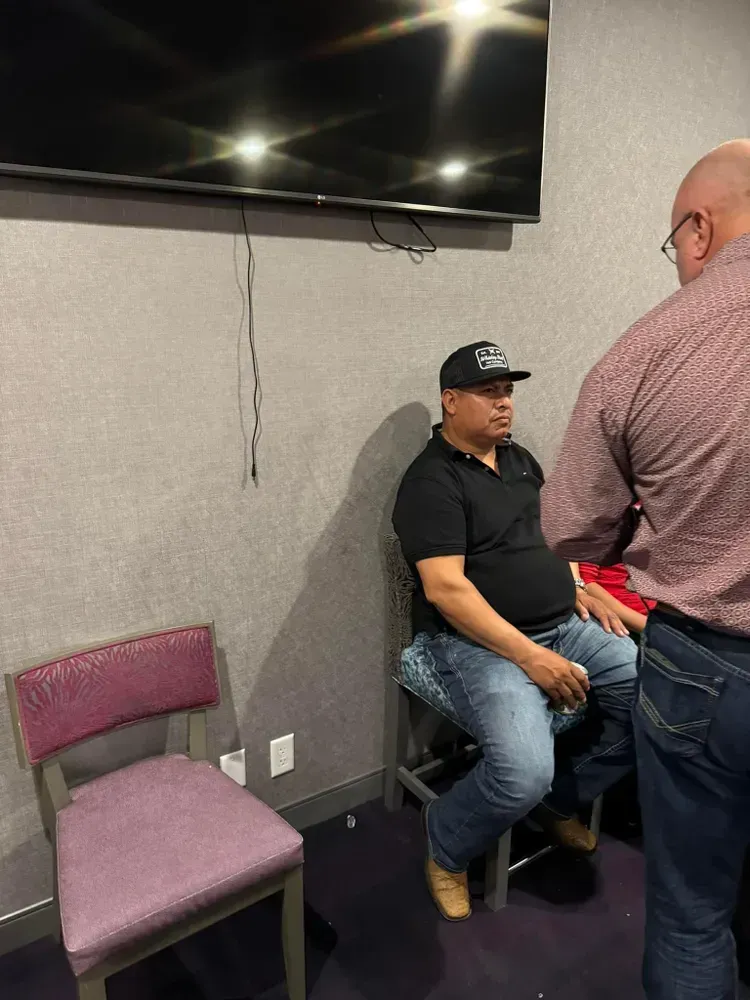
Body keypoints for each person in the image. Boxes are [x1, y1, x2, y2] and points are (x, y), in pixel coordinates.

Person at [540, 139, 750, 1000]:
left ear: (697, 229)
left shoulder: (646, 354)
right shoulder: (430, 483)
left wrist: (635, 529)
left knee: (691, 912)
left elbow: (568, 532)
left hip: (708, 662)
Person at [392, 341, 638, 922]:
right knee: (523, 768)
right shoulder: (431, 483)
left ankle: (557, 800)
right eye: (488, 392)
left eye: (508, 391)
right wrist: (529, 656)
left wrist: (579, 585)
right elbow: (446, 590)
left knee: (652, 699)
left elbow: (552, 534)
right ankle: (447, 841)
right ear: (451, 402)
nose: (504, 403)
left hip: (562, 622)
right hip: (475, 645)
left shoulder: (521, 459)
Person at [579, 505, 656, 635]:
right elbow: (588, 584)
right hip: (631, 623)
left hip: (658, 614)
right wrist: (649, 628)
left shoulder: (645, 514)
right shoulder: (598, 523)